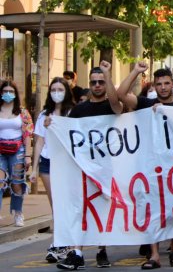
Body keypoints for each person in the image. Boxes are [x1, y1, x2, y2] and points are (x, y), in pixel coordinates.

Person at [117, 64, 173, 269]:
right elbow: (122, 94)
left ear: (172, 84)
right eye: (159, 84)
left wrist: (168, 114)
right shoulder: (146, 104)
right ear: (154, 86)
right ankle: (154, 255)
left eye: (167, 83)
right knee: (151, 208)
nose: (163, 87)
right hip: (151, 167)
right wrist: (136, 72)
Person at [57, 61, 122, 270]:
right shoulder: (79, 110)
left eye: (101, 82)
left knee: (103, 209)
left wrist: (107, 73)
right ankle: (77, 252)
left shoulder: (112, 107)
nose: (97, 85)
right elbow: (69, 134)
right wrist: (52, 126)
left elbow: (116, 103)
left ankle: (102, 249)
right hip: (84, 167)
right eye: (93, 82)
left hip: (108, 166)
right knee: (83, 209)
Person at [30, 77, 76, 263]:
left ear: (66, 91)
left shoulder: (72, 112)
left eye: (60, 89)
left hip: (67, 163)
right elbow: (39, 141)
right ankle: (59, 243)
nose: (56, 92)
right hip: (48, 164)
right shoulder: (43, 115)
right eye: (53, 89)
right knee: (56, 205)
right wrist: (33, 169)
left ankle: (68, 244)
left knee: (67, 204)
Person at [0, 80, 33, 228]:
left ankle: (18, 213)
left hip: (18, 150)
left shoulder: (22, 112)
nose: (8, 94)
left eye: (11, 91)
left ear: (15, 94)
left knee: (17, 183)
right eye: (5, 91)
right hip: (0, 149)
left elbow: (28, 135)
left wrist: (28, 156)